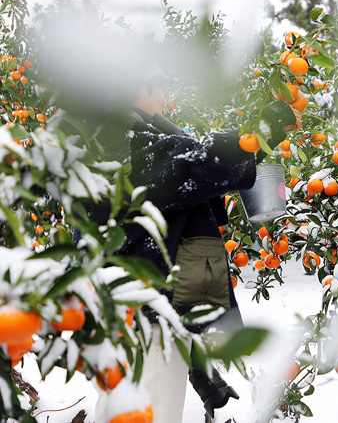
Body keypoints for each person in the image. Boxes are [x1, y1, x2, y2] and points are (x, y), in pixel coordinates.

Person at [91, 72, 300, 422]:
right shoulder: (120, 139)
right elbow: (186, 165)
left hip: (146, 306)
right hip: (145, 311)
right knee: (146, 412)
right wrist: (261, 131)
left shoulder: (128, 132)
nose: (166, 93)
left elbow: (186, 177)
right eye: (160, 84)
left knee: (131, 407)